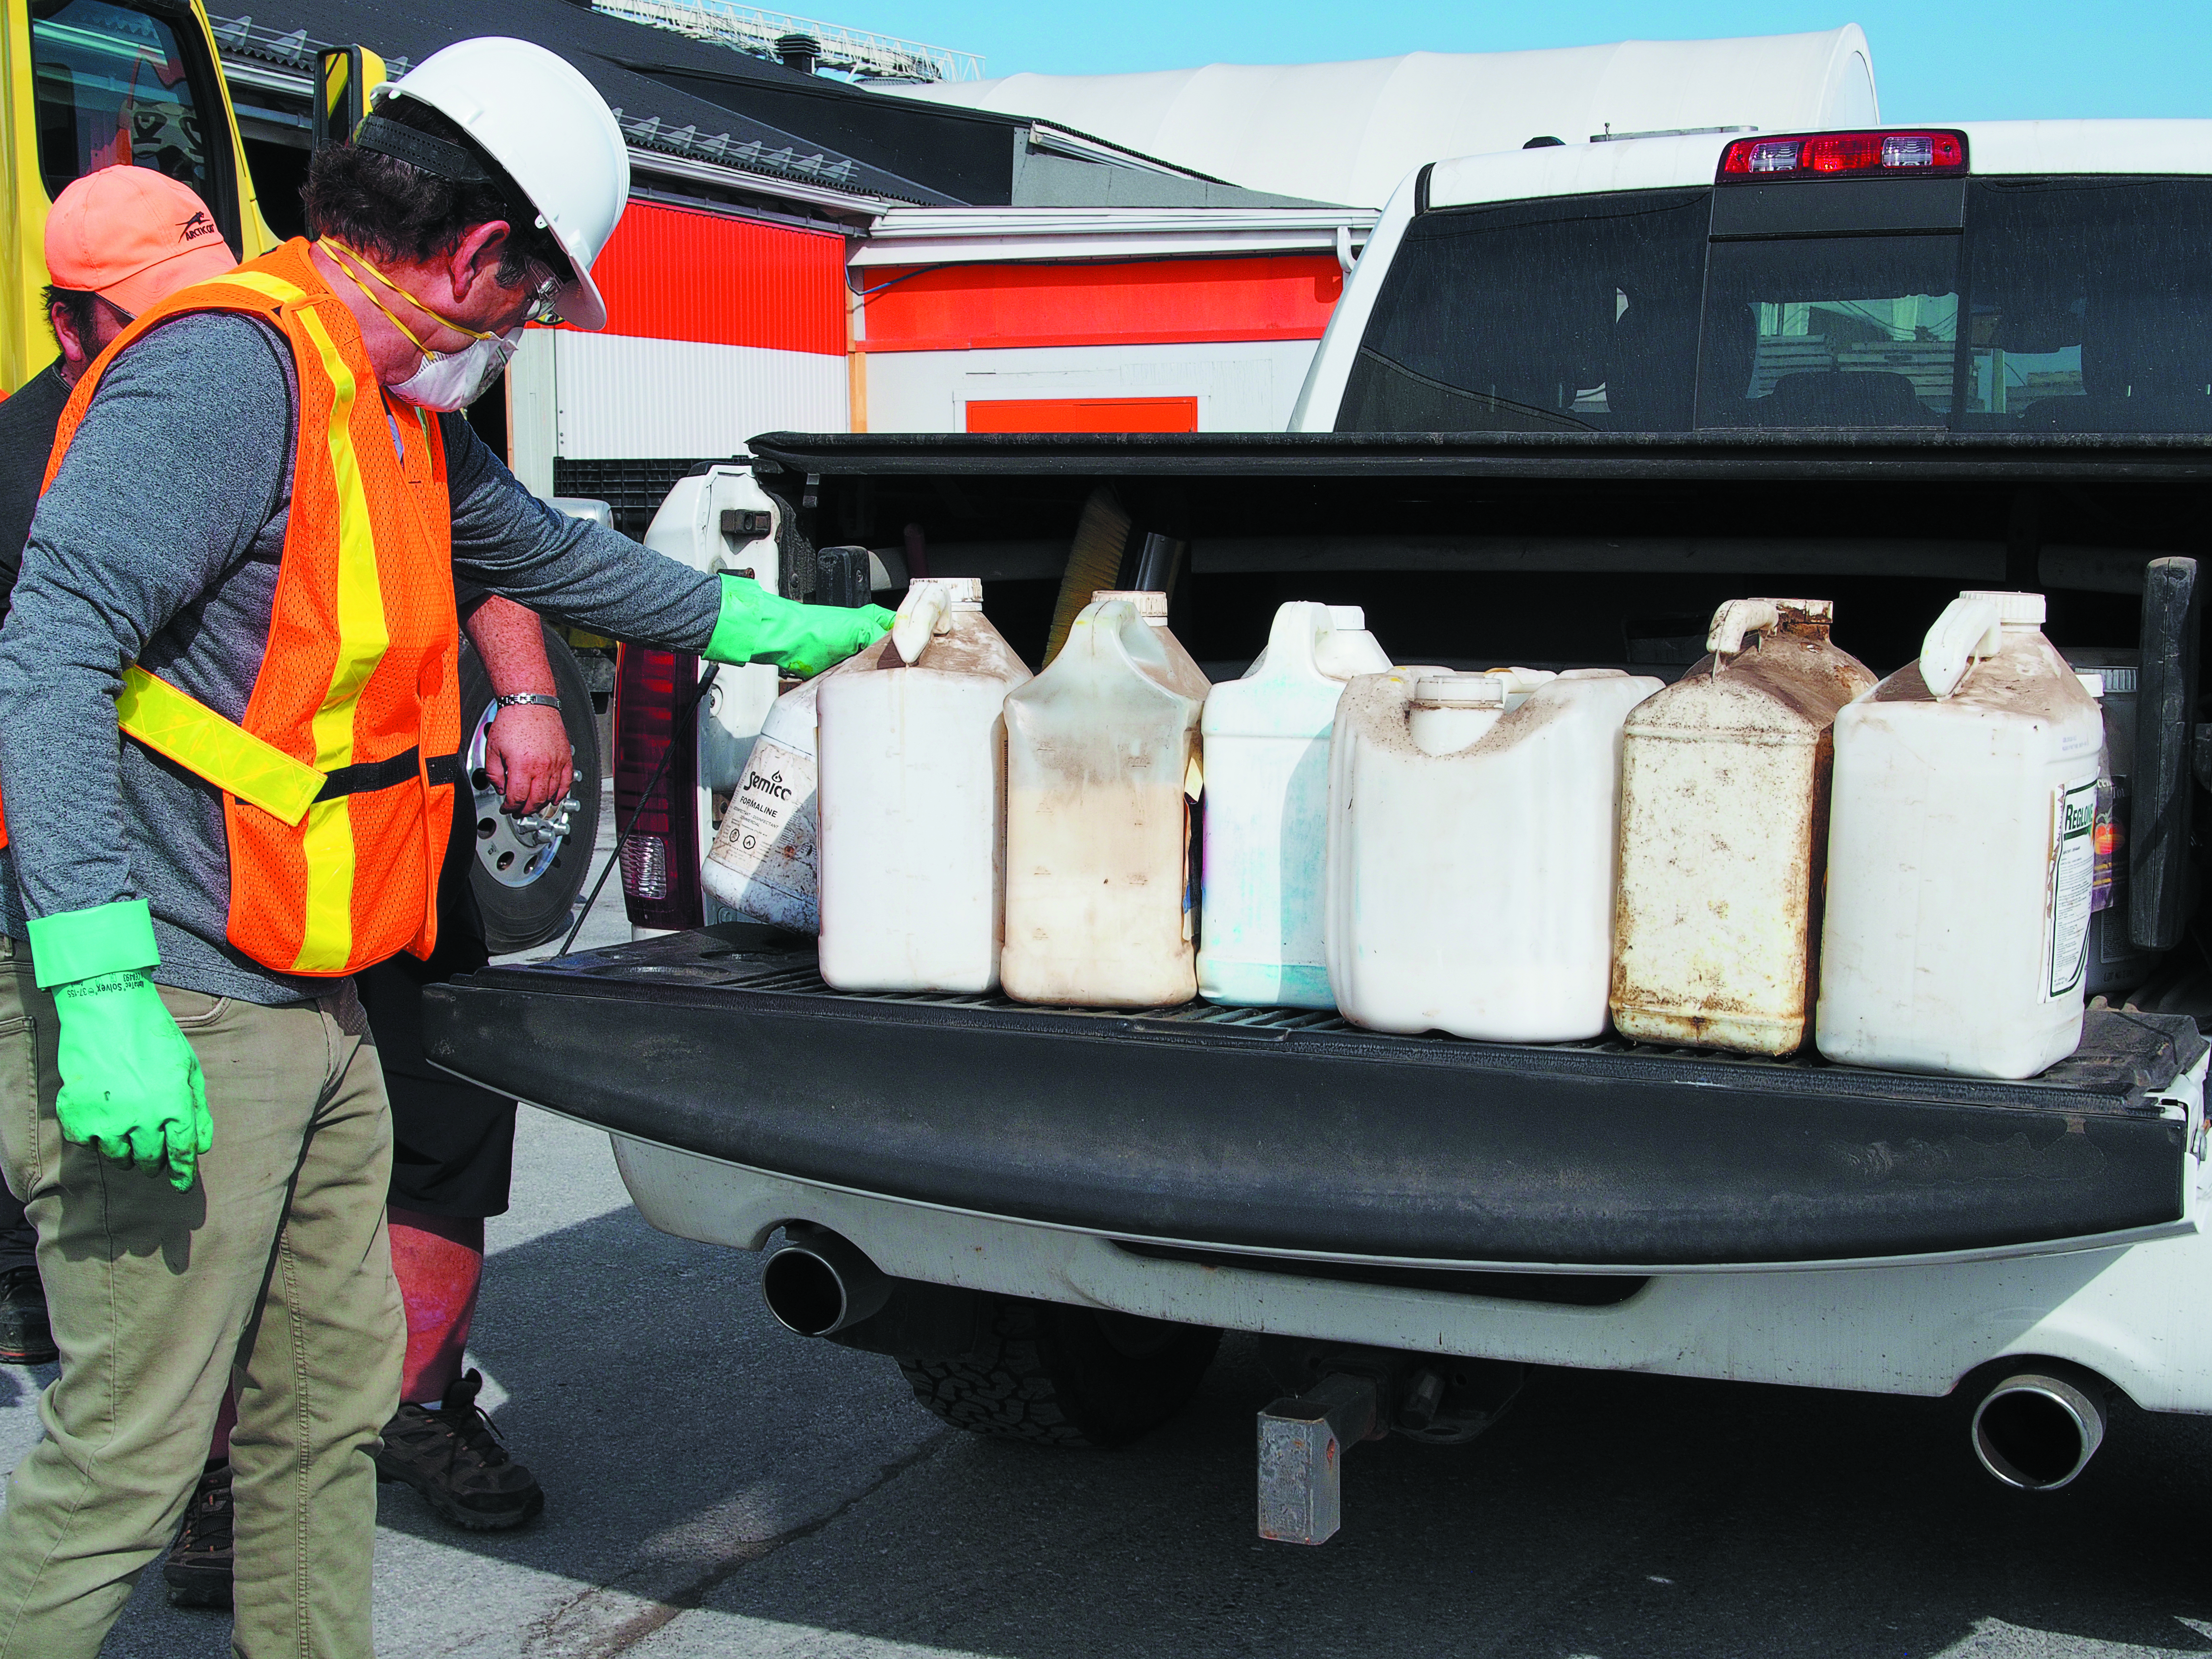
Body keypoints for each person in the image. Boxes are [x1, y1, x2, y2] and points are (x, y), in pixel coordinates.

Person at [0, 35, 890, 1659]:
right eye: (536, 296)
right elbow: (54, 640)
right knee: (129, 1450)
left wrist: (758, 618)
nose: (523, 329)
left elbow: (548, 555)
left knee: (324, 1407)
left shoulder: (393, 402)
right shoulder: (233, 372)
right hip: (171, 992)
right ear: (479, 256)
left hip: (317, 989)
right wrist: (92, 973)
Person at [0, 164, 241, 1366]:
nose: (187, 333)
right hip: (57, 882)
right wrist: (93, 976)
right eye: (147, 313)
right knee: (127, 1264)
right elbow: (46, 682)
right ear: (67, 321)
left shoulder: (213, 405)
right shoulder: (25, 457)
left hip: (179, 885)